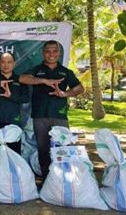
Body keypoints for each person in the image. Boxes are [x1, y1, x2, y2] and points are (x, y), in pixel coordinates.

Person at [19, 40, 84, 179]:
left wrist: (65, 94)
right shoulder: (37, 70)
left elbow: (80, 88)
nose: (51, 54)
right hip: (39, 116)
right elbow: (22, 78)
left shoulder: (66, 72)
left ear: (59, 53)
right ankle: (47, 179)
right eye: (48, 51)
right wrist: (44, 81)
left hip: (59, 116)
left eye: (54, 51)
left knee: (64, 148)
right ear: (43, 53)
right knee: (43, 150)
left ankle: (65, 179)